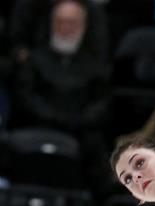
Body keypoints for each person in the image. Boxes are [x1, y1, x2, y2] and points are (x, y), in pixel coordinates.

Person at [13, 0, 110, 183]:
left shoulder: (95, 66)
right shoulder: (34, 61)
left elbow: (102, 102)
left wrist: (79, 120)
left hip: (82, 132)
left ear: (83, 26)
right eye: (60, 22)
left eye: (71, 22)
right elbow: (25, 97)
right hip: (38, 126)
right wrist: (55, 118)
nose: (65, 28)